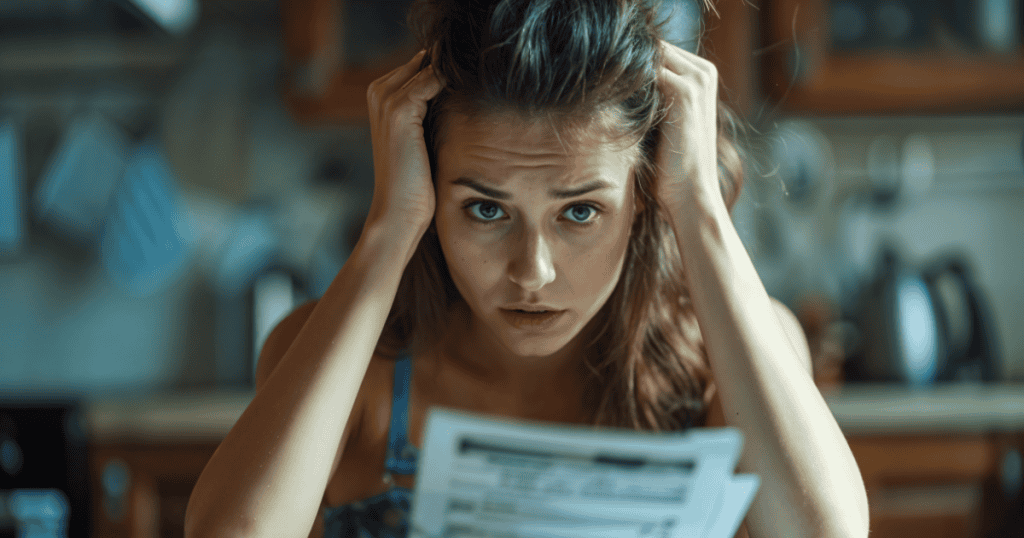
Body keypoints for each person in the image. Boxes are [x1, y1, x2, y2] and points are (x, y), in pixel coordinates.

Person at [185, 0, 870, 537]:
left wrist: (698, 206)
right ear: (426, 188)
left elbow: (826, 531)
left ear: (641, 197)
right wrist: (388, 230)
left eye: (579, 213)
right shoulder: (345, 367)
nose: (532, 272)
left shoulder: (722, 365)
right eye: (486, 210)